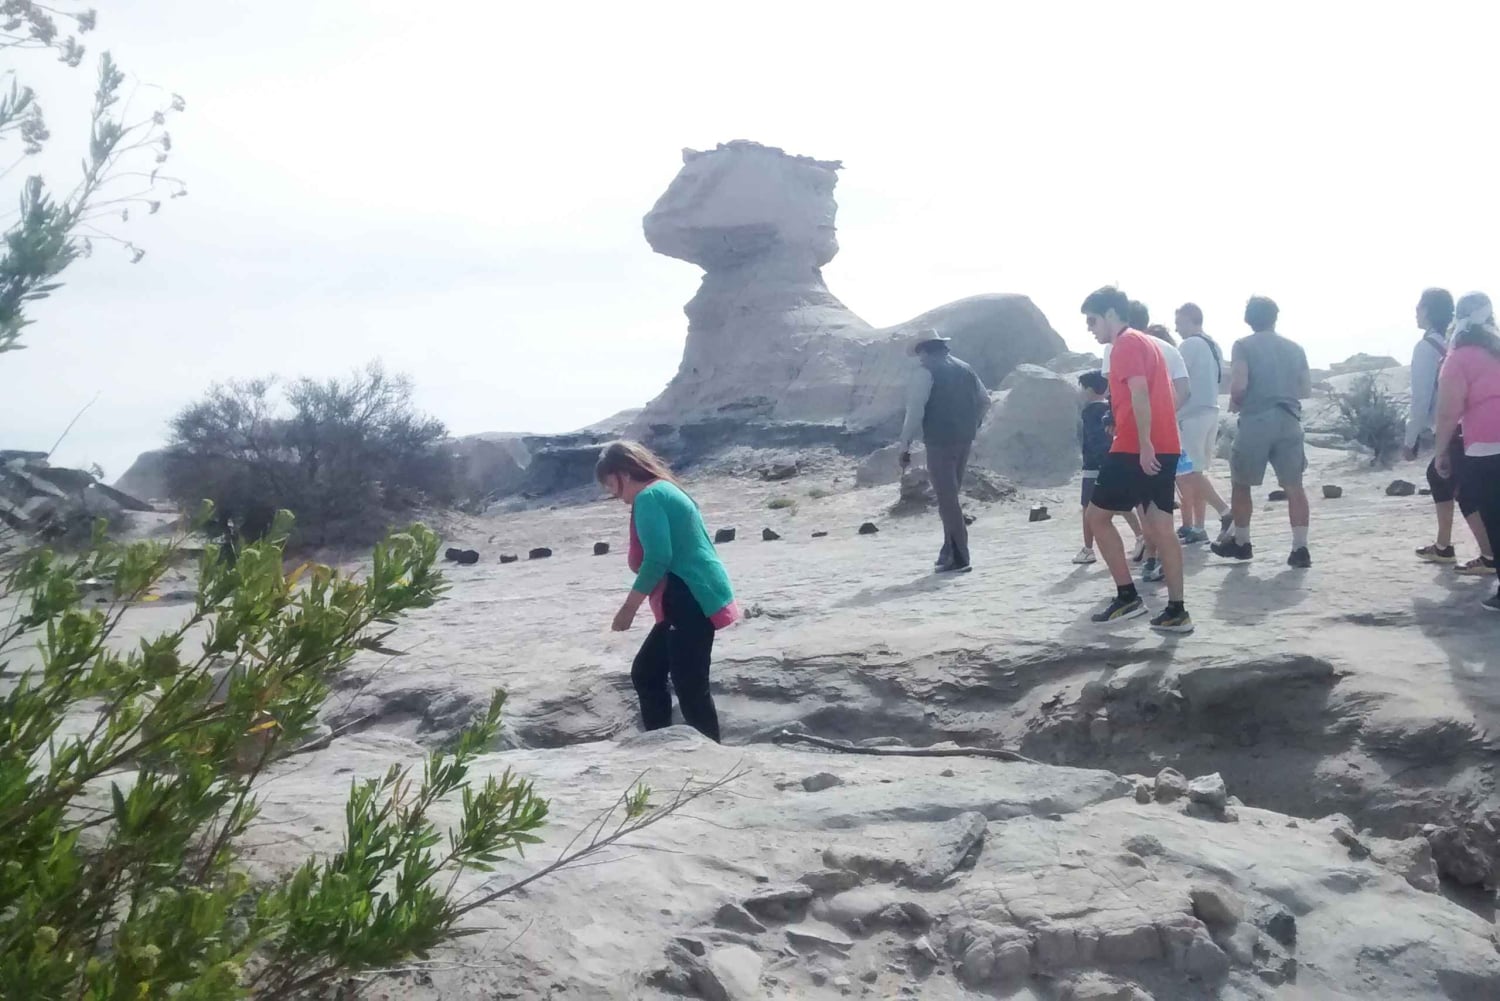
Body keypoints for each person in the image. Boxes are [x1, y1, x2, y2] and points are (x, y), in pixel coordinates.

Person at [597, 441, 740, 741]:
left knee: (689, 683)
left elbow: (658, 558)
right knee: (647, 673)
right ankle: (659, 743)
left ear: (624, 473)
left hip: (688, 594)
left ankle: (710, 754)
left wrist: (628, 609)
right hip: (690, 593)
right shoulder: (665, 489)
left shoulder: (650, 497)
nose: (614, 495)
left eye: (611, 484)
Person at [1080, 286, 1193, 633]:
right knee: (1161, 527)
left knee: (1096, 517)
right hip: (1165, 442)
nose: (1090, 328)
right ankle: (1177, 611)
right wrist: (1156, 435)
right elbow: (1170, 394)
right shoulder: (1149, 343)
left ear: (1112, 314)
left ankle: (1127, 596)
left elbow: (1141, 393)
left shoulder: (1125, 344)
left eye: (1092, 320)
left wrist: (1143, 442)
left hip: (1134, 446)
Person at [1211, 296, 1313, 567]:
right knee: (1294, 487)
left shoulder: (1243, 346)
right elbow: (1305, 388)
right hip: (1289, 419)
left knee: (1241, 484)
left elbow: (1239, 385)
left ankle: (1242, 542)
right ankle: (1300, 548)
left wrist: (1237, 400)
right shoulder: (1295, 348)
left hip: (1257, 418)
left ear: (1249, 318)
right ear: (1274, 317)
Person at [1407, 287, 1495, 573]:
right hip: (1470, 428)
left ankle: (1486, 554)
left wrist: (1411, 439)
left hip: (1466, 429)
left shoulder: (1435, 348)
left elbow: (1422, 399)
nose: (1415, 312)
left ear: (1429, 311)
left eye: (1419, 307)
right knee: (1442, 478)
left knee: (1464, 489)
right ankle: (1444, 545)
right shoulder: (1484, 343)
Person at [898, 331, 991, 573]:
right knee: (951, 496)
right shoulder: (965, 368)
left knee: (947, 501)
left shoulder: (925, 372)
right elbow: (985, 401)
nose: (919, 359)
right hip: (964, 439)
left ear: (925, 350)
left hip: (939, 442)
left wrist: (904, 445)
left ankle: (960, 557)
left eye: (920, 354)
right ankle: (947, 551)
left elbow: (915, 411)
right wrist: (973, 424)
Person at [1432, 291, 1500, 612]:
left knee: (1494, 515)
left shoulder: (1458, 357)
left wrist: (1441, 450)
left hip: (1487, 443)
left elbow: (1448, 411)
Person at [1174, 303, 1233, 544]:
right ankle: (1198, 527)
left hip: (1191, 414)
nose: (1176, 328)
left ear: (1190, 319)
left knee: (1189, 471)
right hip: (1210, 411)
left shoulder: (1189, 345)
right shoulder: (1213, 345)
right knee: (1197, 469)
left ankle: (1226, 512)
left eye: (1179, 322)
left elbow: (1177, 380)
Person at [1140, 323, 1195, 582]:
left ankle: (1153, 557)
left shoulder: (1135, 349)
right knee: (1163, 501)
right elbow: (1185, 391)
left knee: (1148, 503)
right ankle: (1158, 559)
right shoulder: (1173, 352)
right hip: (1168, 435)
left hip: (1145, 437)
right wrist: (1165, 416)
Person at [1075, 370, 1112, 564]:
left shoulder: (1090, 411)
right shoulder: (1109, 409)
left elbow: (1095, 440)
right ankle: (1141, 537)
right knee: (1121, 507)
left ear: (1089, 389)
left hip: (1093, 467)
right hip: (1108, 463)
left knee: (1087, 508)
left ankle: (1088, 549)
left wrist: (1099, 461)